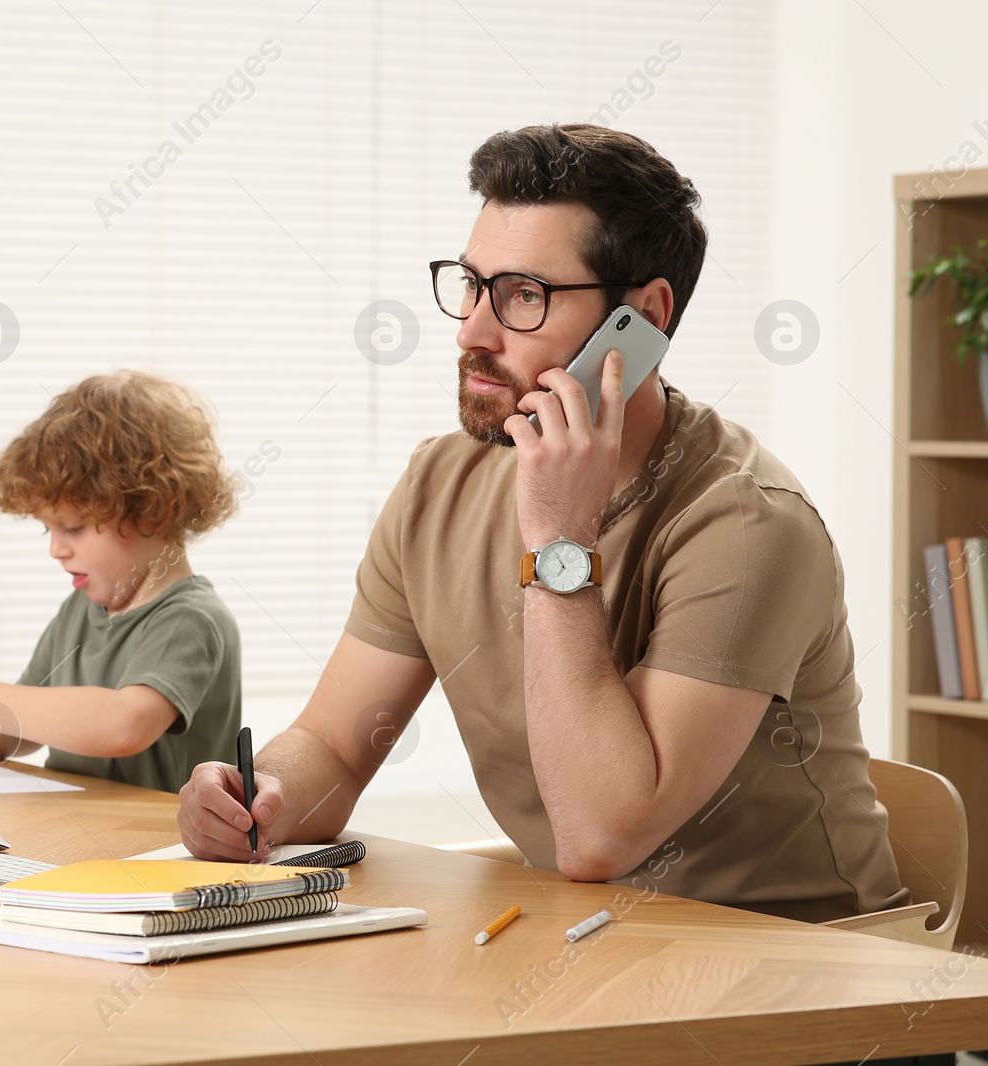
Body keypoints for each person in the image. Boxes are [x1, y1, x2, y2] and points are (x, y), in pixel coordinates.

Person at [176, 123, 905, 922]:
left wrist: (560, 541)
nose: (471, 333)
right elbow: (337, 745)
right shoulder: (440, 481)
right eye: (471, 285)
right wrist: (262, 797)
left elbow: (600, 838)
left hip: (807, 975)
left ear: (644, 318)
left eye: (524, 296)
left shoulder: (749, 526)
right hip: (590, 948)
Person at [0, 371, 243, 793]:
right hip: (80, 835)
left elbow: (124, 725)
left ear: (154, 509)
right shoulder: (81, 609)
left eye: (73, 527)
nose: (56, 550)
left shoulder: (191, 620)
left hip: (161, 846)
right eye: (48, 530)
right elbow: (18, 733)